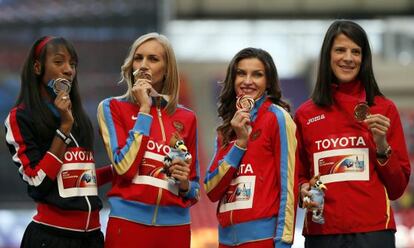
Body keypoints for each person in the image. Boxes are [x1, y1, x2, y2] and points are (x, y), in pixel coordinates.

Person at [295, 20, 411, 248]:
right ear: (327, 55)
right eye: (340, 50)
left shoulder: (384, 110)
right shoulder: (304, 115)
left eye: (355, 51)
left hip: (374, 233)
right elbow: (298, 178)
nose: (348, 58)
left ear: (364, 59)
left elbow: (397, 189)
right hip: (321, 233)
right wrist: (303, 190)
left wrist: (381, 146)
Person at [4, 36, 112, 248]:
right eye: (59, 61)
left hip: (93, 237)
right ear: (37, 67)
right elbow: (38, 182)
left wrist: (116, 170)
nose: (68, 70)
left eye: (72, 64)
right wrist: (63, 130)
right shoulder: (21, 118)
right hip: (52, 238)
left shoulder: (79, 117)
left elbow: (79, 182)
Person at [97, 32, 200, 248]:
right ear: (130, 65)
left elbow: (194, 190)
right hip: (128, 223)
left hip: (175, 229)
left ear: (167, 70)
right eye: (138, 58)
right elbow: (124, 168)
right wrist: (144, 110)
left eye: (153, 59)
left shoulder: (187, 118)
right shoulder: (112, 107)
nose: (144, 65)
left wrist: (183, 184)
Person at [204, 47, 298, 248]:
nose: (248, 81)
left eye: (257, 74)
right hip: (225, 241)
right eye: (241, 73)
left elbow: (288, 185)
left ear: (268, 82)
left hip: (262, 240)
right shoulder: (225, 129)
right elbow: (211, 190)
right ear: (233, 78)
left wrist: (283, 242)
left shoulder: (278, 118)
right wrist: (239, 143)